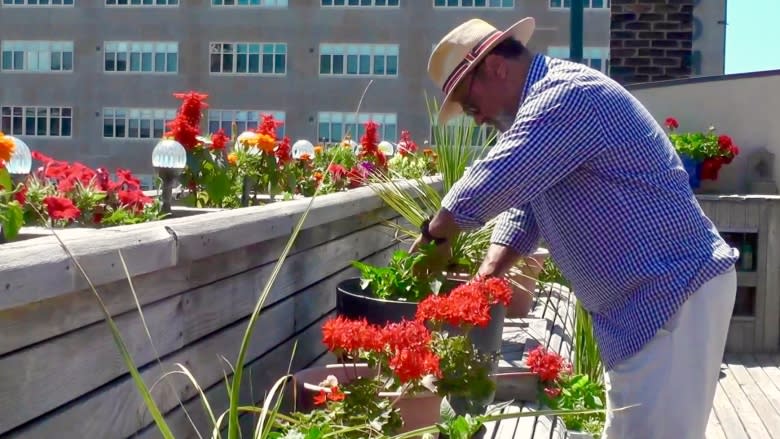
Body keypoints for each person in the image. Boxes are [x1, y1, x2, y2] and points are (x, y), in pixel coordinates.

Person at [414, 17, 739, 439]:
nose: (475, 120)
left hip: (672, 294)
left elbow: (502, 174)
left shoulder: (567, 96)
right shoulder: (544, 113)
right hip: (643, 306)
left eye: (470, 104)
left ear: (495, 67)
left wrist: (438, 233)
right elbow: (525, 207)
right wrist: (487, 277)